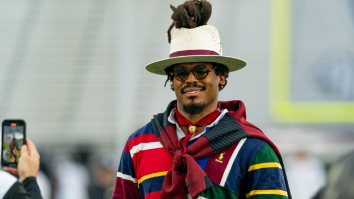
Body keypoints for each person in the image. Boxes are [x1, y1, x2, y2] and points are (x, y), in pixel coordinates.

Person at [112, 1, 292, 199]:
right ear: (172, 81)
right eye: (181, 72)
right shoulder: (138, 145)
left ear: (221, 77)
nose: (191, 79)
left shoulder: (253, 148)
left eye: (201, 70)